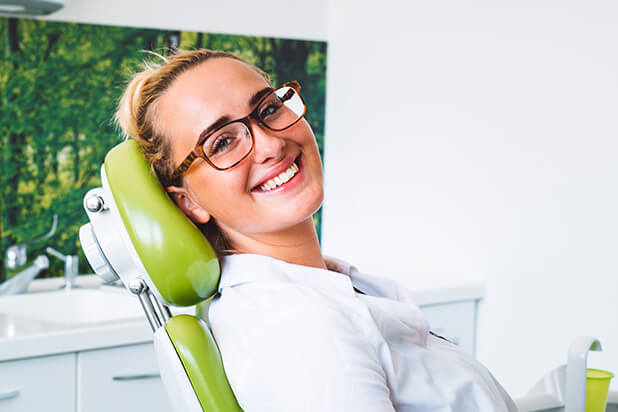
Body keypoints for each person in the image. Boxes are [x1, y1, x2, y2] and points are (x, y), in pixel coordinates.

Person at [115, 48, 518, 411]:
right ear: (189, 202)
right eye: (222, 143)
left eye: (269, 109)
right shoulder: (300, 327)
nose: (270, 145)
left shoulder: (317, 290)